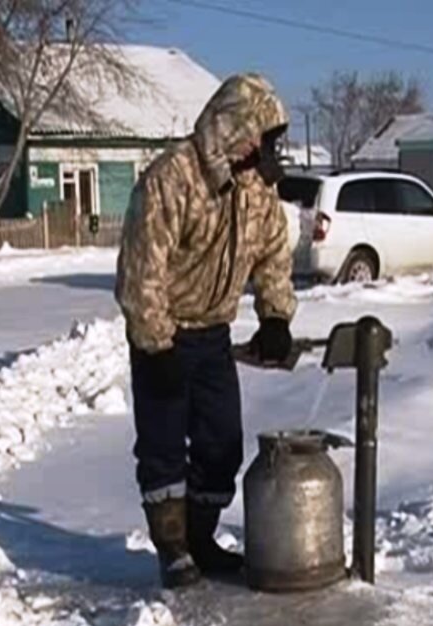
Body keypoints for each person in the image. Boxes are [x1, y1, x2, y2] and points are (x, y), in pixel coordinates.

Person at [115, 73, 297, 589]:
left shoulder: (257, 191)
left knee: (222, 446)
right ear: (237, 129)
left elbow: (273, 255)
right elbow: (141, 268)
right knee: (164, 446)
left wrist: (276, 316)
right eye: (267, 135)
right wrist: (155, 346)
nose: (272, 148)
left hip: (214, 334)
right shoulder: (173, 179)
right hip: (165, 335)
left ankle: (200, 539)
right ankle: (172, 548)